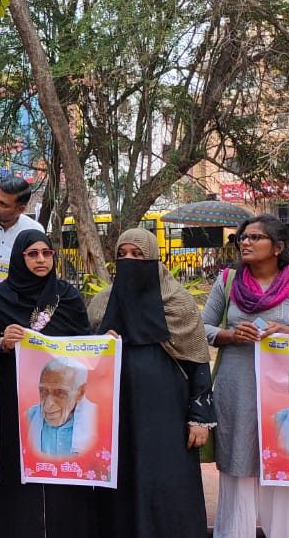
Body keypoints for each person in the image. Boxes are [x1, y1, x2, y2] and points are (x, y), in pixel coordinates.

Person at [201, 214, 289, 538]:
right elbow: (201, 329)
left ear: (278, 247)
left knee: (285, 462)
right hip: (238, 385)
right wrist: (232, 335)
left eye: (255, 237)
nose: (245, 242)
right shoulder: (228, 280)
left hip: (287, 389)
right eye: (242, 237)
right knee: (239, 465)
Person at [0, 230, 97, 537]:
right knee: (13, 475)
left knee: (59, 471)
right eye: (32, 254)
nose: (40, 259)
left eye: (46, 253)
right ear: (19, 257)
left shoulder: (67, 297)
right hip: (13, 401)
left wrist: (105, 345)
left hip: (60, 404)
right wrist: (4, 345)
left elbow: (83, 347)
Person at [86, 227, 213, 537]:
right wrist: (98, 342)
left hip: (166, 414)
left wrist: (200, 418)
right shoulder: (103, 303)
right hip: (116, 412)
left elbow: (197, 362)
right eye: (122, 254)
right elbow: (82, 355)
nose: (129, 260)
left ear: (154, 258)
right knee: (119, 478)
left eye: (137, 254)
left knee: (166, 481)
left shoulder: (178, 304)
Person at [24, 357, 97, 456]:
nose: (48, 405)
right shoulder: (29, 418)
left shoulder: (98, 420)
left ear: (80, 392)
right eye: (43, 391)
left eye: (60, 393)